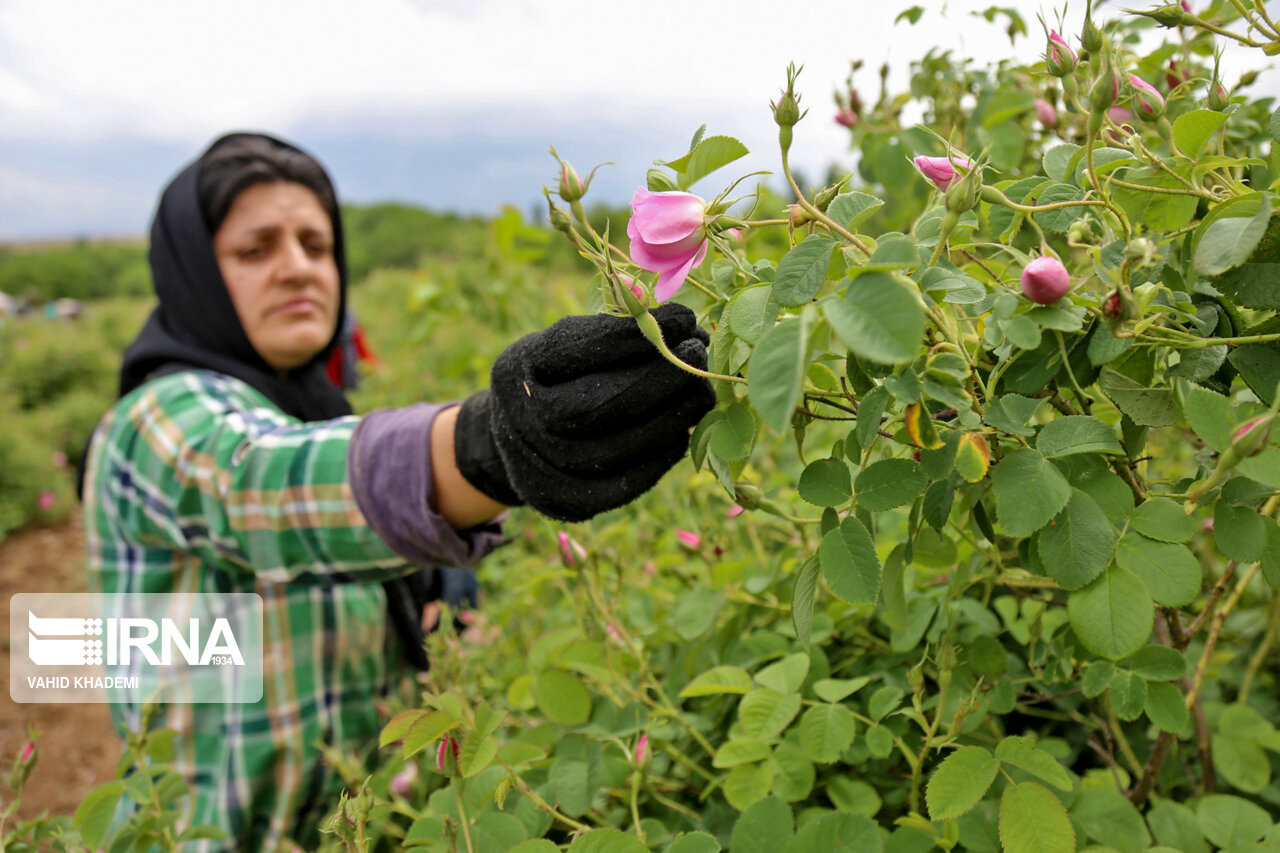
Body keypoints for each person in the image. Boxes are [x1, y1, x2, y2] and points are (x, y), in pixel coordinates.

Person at [81, 131, 715, 850]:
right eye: (255, 249)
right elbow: (265, 481)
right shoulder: (156, 420)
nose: (298, 268)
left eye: (317, 246)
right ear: (193, 271)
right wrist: (486, 446)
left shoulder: (315, 408)